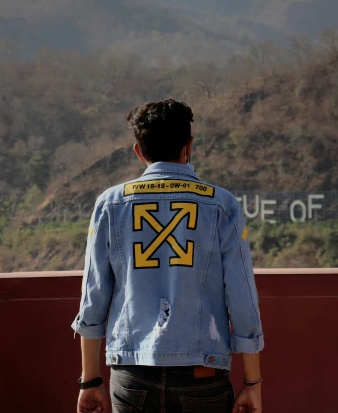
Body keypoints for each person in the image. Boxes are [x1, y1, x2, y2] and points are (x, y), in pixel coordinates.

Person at [72, 99, 264, 413]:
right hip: (203, 375)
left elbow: (93, 300)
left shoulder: (110, 204)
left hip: (132, 374)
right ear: (188, 146)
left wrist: (90, 380)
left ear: (138, 151)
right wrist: (253, 383)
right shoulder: (222, 205)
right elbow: (242, 300)